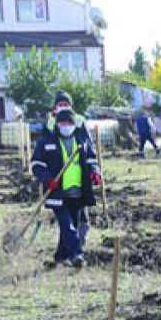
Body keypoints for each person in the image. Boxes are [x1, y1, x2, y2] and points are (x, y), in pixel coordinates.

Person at [31, 109, 103, 268]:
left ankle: (59, 257)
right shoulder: (47, 141)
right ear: (57, 124)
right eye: (62, 123)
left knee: (73, 225)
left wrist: (95, 173)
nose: (66, 126)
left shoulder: (81, 140)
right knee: (67, 225)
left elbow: (91, 160)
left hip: (77, 192)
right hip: (56, 192)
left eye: (69, 123)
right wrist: (47, 179)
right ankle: (77, 254)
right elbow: (36, 164)